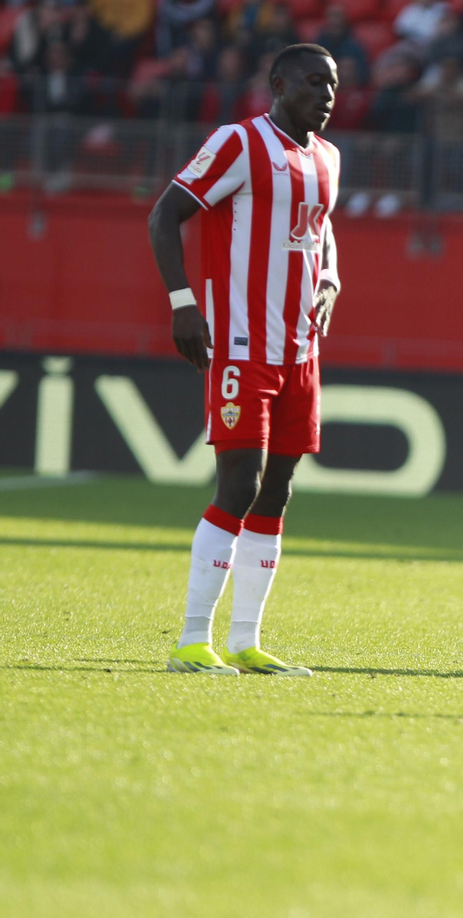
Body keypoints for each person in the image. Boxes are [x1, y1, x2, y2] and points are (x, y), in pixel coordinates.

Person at [147, 43, 343, 677]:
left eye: (333, 84)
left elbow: (322, 228)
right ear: (279, 85)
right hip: (241, 345)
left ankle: (245, 641)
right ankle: (190, 639)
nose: (327, 93)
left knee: (277, 492)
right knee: (239, 483)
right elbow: (166, 212)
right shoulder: (239, 143)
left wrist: (331, 281)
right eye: (314, 82)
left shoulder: (328, 158)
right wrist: (182, 303)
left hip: (300, 350)